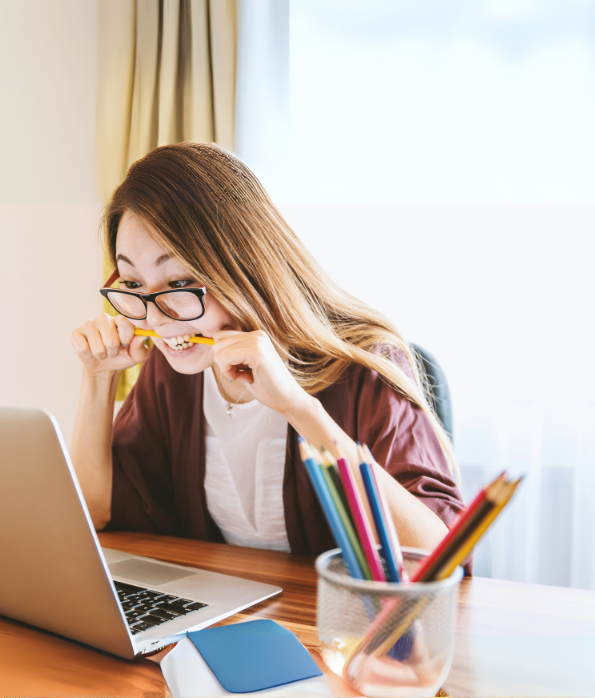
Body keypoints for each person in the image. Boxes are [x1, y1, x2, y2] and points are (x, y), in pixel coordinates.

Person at [70, 142, 464, 557]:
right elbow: (95, 512)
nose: (155, 319)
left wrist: (299, 408)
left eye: (180, 284)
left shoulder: (363, 367)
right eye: (133, 285)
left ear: (242, 267)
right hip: (227, 611)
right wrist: (97, 380)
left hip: (338, 619)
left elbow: (438, 557)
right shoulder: (173, 370)